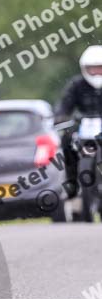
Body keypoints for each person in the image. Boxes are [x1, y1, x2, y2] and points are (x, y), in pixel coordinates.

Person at [54, 45, 102, 196]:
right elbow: (65, 105)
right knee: (66, 142)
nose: (96, 72)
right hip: (84, 125)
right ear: (84, 68)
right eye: (92, 68)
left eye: (99, 68)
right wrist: (60, 116)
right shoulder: (76, 84)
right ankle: (72, 181)